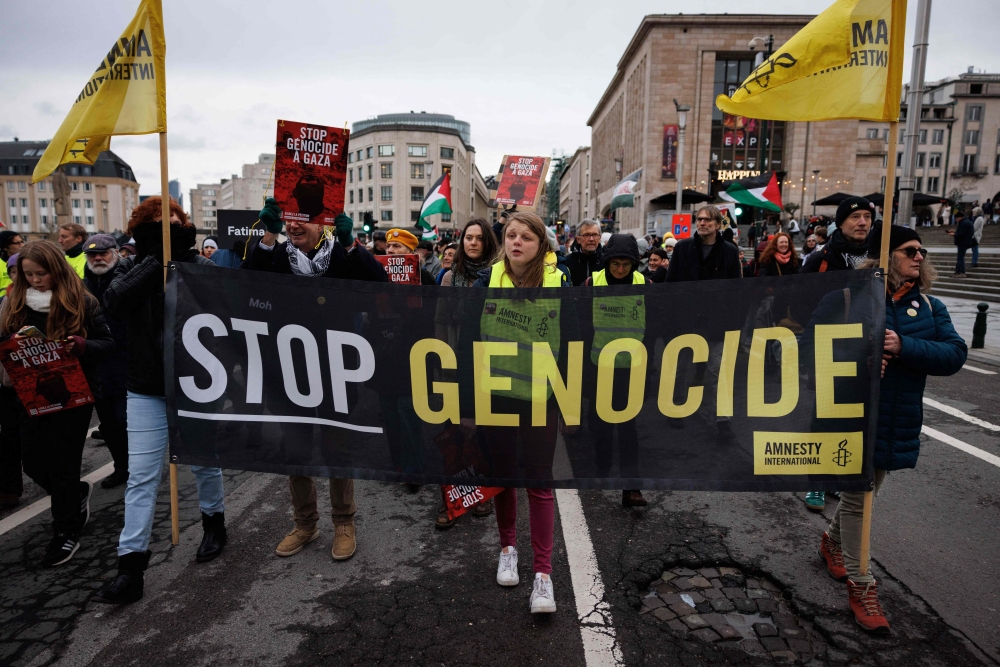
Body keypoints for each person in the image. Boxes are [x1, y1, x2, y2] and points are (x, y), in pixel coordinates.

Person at [815, 225, 966, 634]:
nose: (919, 257)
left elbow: (954, 354)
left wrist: (904, 347)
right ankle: (862, 585)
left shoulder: (931, 307)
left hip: (896, 418)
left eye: (921, 251)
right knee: (858, 498)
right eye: (909, 250)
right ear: (886, 256)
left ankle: (831, 541)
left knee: (869, 490)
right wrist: (859, 355)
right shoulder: (846, 298)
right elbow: (809, 343)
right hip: (850, 415)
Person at [94, 197, 226, 605]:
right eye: (156, 224)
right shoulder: (134, 266)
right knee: (142, 477)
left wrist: (178, 261)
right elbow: (114, 303)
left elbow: (220, 305)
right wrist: (155, 259)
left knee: (204, 461)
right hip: (145, 387)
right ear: (143, 230)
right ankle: (130, 567)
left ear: (184, 226)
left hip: (194, 384)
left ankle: (214, 523)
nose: (165, 228)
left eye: (172, 222)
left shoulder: (198, 265)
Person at [241, 198, 387, 563]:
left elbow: (380, 283)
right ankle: (305, 524)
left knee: (338, 448)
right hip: (289, 370)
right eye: (289, 219)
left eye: (303, 219)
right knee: (296, 450)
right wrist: (268, 236)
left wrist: (353, 245)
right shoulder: (274, 255)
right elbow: (245, 284)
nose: (294, 225)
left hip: (336, 369)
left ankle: (343, 523)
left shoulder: (340, 255)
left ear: (323, 224)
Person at [461, 211, 570, 614]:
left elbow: (574, 345)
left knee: (540, 482)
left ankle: (543, 575)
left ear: (541, 243)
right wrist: (468, 407)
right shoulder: (485, 282)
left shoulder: (560, 283)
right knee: (504, 477)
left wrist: (571, 404)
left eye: (526, 236)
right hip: (496, 397)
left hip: (542, 399)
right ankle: (509, 548)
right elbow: (466, 345)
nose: (516, 242)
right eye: (510, 235)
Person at [1, 241, 114, 566]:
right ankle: (75, 495)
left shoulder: (81, 300)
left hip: (73, 397)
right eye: (28, 274)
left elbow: (107, 343)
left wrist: (81, 346)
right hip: (30, 393)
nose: (36, 280)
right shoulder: (14, 301)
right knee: (33, 463)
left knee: (63, 467)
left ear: (56, 270)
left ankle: (65, 532)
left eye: (42, 273)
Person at [799, 197, 874, 511]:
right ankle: (816, 482)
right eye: (855, 216)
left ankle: (836, 478)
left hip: (865, 350)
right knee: (825, 418)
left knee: (855, 420)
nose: (862, 222)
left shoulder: (879, 255)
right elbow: (802, 299)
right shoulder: (821, 258)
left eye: (867, 217)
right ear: (841, 222)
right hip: (829, 349)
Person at [433, 219, 500, 528]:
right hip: (455, 362)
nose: (472, 243)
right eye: (468, 238)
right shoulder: (449, 277)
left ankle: (482, 495)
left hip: (486, 363)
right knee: (454, 432)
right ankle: (453, 498)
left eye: (479, 238)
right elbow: (441, 322)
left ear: (488, 243)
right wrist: (446, 363)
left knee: (483, 432)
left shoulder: (497, 278)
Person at [583, 234, 649, 508]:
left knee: (628, 429)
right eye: (616, 264)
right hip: (598, 367)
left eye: (626, 265)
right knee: (599, 425)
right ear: (607, 262)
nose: (621, 270)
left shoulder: (645, 285)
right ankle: (601, 470)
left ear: (634, 264)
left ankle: (631, 487)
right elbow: (581, 326)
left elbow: (656, 324)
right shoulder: (591, 283)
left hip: (632, 369)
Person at [82, 235, 130, 489]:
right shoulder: (80, 286)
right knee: (109, 424)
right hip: (97, 365)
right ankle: (122, 467)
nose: (98, 258)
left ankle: (139, 466)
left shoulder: (126, 280)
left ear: (115, 253)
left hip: (127, 363)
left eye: (103, 253)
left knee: (125, 420)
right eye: (92, 255)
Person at [665, 205, 742, 282]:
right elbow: (670, 281)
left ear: (718, 224)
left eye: (707, 220)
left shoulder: (730, 250)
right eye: (699, 219)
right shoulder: (681, 247)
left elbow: (736, 285)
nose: (702, 223)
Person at [0, 254, 22, 509]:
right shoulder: (4, 302)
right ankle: (8, 489)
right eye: (13, 271)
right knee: (8, 437)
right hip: (7, 382)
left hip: (41, 382)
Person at [564, 219, 605, 286]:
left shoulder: (606, 262)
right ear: (578, 239)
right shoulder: (566, 262)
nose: (591, 239)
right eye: (587, 235)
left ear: (599, 238)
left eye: (595, 235)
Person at [948, 210, 974, 277]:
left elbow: (962, 234)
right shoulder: (967, 222)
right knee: (960, 257)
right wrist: (955, 232)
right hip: (965, 242)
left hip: (962, 242)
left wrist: (953, 234)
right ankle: (958, 271)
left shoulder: (963, 223)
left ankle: (961, 272)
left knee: (960, 258)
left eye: (956, 218)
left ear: (960, 217)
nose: (956, 220)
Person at [0, 231, 25, 297]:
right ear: (5, 247)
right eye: (17, 243)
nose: (22, 245)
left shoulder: (27, 262)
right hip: (4, 304)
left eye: (22, 242)